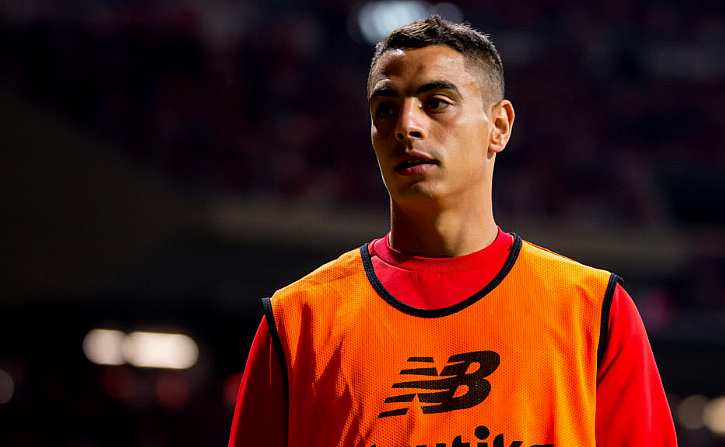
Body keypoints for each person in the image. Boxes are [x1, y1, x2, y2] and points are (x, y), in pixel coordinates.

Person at [229, 16, 677, 447]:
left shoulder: (594, 310)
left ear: (498, 126)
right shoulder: (297, 321)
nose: (407, 126)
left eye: (436, 102)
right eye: (386, 109)